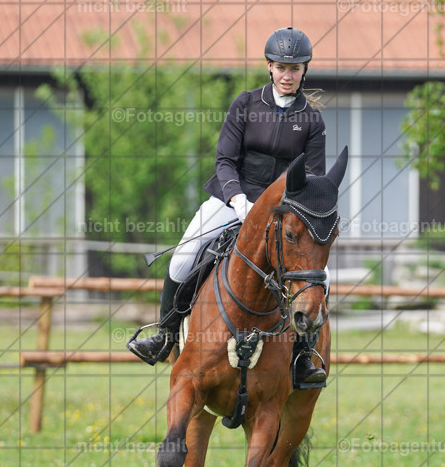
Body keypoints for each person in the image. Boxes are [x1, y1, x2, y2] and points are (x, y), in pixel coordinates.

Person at [128, 27, 330, 385]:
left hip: (283, 211)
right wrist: (238, 200)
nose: (288, 75)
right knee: (185, 255)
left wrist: (287, 210)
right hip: (232, 197)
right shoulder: (246, 103)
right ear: (269, 67)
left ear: (304, 70)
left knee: (320, 276)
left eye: (295, 68)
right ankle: (166, 335)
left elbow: (312, 175)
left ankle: (302, 358)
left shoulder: (311, 120)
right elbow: (224, 159)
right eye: (282, 67)